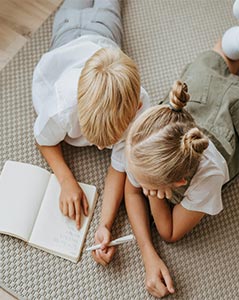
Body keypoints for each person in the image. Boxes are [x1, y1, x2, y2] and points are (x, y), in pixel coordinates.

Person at [124, 0, 239, 297]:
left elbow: (169, 232)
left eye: (148, 185)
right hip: (196, 95)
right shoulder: (149, 137)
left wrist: (155, 199)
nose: (131, 178)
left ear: (178, 183)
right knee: (223, 56)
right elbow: (130, 190)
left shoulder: (207, 178)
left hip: (236, 117)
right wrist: (147, 253)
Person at [31, 0, 150, 265]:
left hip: (104, 31)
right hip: (67, 30)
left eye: (106, 142)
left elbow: (118, 167)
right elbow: (42, 139)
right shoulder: (61, 107)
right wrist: (65, 179)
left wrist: (105, 224)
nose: (99, 149)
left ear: (136, 109)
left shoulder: (140, 111)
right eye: (93, 138)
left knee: (109, 5)